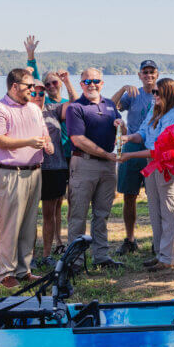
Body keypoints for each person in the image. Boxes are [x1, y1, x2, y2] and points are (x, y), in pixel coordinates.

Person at [0, 69, 52, 288]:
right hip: (11, 173)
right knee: (10, 224)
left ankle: (24, 270)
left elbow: (44, 134)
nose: (33, 90)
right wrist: (28, 142)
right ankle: (6, 272)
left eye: (33, 87)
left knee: (29, 224)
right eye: (28, 87)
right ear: (14, 87)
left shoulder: (34, 108)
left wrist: (48, 144)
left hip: (35, 171)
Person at [120, 79, 174, 271]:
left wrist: (130, 154)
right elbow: (142, 133)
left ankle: (168, 257)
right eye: (154, 92)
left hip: (166, 165)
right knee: (154, 209)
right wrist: (127, 137)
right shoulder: (155, 109)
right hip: (151, 164)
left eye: (158, 92)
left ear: (169, 93)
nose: (154, 95)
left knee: (167, 211)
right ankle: (159, 254)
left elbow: (160, 149)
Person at [24, 35, 79, 264]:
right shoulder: (25, 109)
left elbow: (77, 105)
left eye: (46, 88)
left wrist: (67, 82)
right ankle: (29, 255)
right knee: (29, 216)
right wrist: (30, 58)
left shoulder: (56, 107)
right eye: (37, 90)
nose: (42, 92)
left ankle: (48, 252)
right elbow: (32, 80)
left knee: (53, 210)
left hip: (57, 164)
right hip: (30, 168)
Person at [66, 68, 125, 269]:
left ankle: (101, 256)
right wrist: (106, 154)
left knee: (102, 214)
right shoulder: (75, 107)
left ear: (102, 83)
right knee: (78, 215)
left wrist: (121, 125)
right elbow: (78, 139)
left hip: (108, 167)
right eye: (87, 81)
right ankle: (75, 260)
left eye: (96, 81)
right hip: (84, 163)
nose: (92, 84)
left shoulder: (109, 104)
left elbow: (121, 133)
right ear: (81, 84)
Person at [113, 60, 159, 255]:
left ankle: (158, 239)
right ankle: (130, 239)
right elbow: (111, 105)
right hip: (132, 145)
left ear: (157, 74)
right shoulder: (132, 94)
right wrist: (123, 87)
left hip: (154, 149)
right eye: (145, 72)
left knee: (156, 197)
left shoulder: (162, 94)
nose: (148, 75)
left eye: (151, 72)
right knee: (129, 196)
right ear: (139, 75)